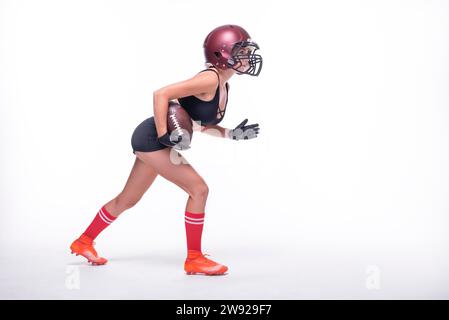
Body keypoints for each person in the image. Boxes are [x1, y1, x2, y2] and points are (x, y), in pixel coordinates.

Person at [69, 24, 263, 275]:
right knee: (199, 189)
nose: (247, 56)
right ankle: (194, 258)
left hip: (155, 141)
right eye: (241, 51)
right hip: (152, 138)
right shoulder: (209, 79)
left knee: (127, 199)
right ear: (222, 54)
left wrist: (231, 134)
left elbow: (196, 124)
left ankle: (83, 241)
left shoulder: (224, 85)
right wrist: (164, 134)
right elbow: (161, 95)